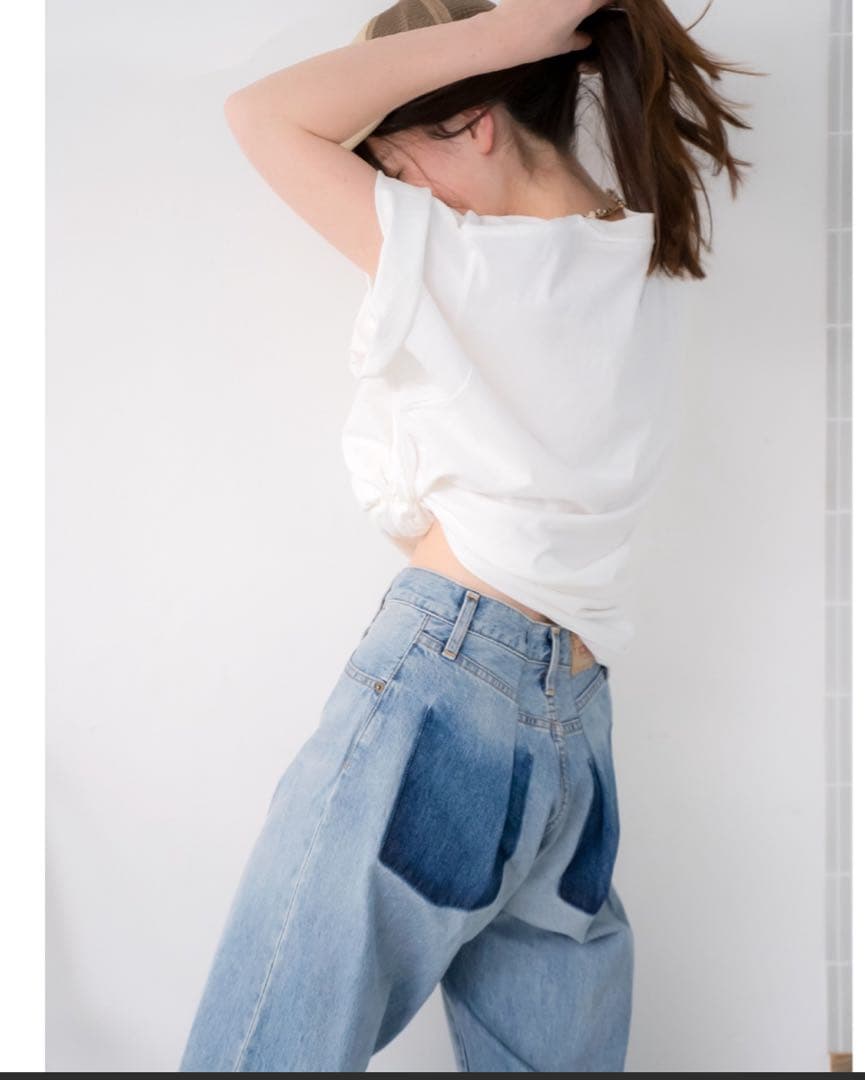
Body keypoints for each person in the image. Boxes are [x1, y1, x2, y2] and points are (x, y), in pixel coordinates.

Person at [178, 0, 757, 1071]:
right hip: (576, 730)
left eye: (396, 163)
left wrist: (509, 31)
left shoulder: (460, 257)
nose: (394, 193)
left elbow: (260, 114)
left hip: (446, 684)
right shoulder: (648, 263)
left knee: (262, 1052)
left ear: (476, 122)